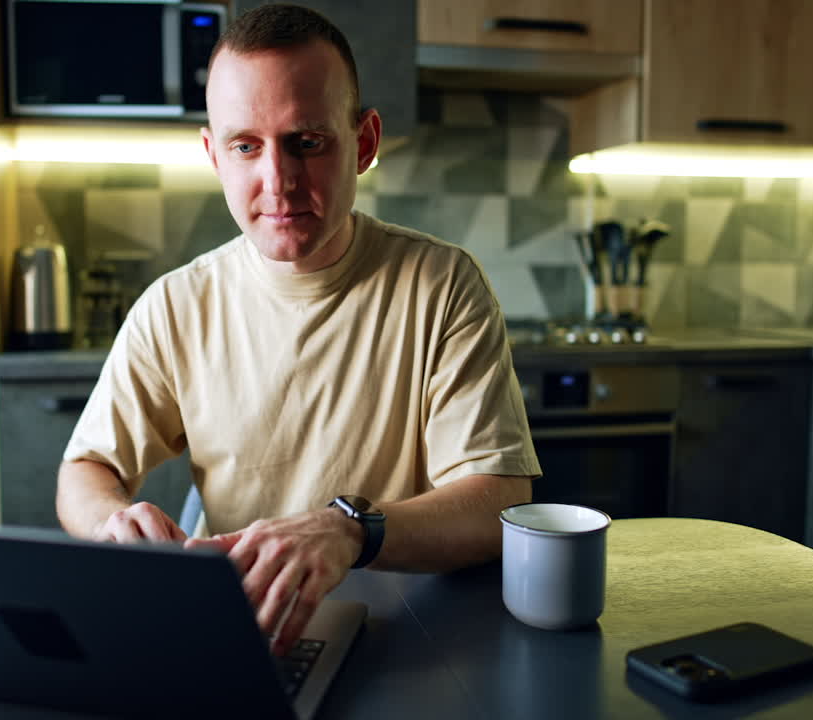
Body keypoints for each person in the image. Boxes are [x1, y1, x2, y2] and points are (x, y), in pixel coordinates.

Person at [56, 3, 541, 655]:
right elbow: (85, 470)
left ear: (363, 143)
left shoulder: (443, 286)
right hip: (246, 638)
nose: (277, 182)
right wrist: (113, 521)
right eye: (246, 146)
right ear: (214, 155)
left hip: (413, 634)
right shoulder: (174, 306)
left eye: (306, 142)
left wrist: (351, 530)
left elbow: (498, 502)